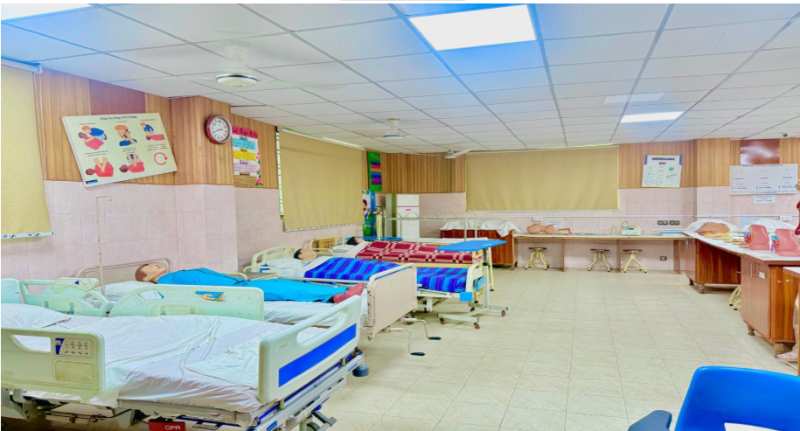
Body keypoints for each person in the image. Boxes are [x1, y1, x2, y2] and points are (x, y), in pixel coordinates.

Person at [134, 263, 363, 303]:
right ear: (145, 278)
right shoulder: (165, 282)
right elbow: (187, 294)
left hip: (238, 285)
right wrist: (216, 298)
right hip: (234, 292)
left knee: (285, 285)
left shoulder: (175, 274)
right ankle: (336, 294)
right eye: (149, 267)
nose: (155, 264)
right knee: (286, 288)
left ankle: (339, 292)